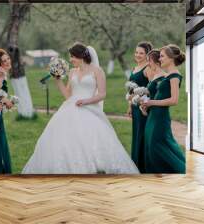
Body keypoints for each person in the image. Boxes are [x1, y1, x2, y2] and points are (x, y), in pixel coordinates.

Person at [22, 43, 139, 174]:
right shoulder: (72, 72)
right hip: (70, 108)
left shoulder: (97, 71)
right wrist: (58, 80)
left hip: (89, 107)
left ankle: (95, 165)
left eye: (72, 57)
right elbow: (67, 95)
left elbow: (102, 94)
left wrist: (86, 101)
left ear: (81, 56)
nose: (70, 60)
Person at [141, 44, 186, 173]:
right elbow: (158, 96)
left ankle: (178, 171)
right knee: (151, 146)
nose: (159, 59)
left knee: (159, 147)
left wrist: (152, 102)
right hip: (153, 116)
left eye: (162, 56)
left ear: (171, 58)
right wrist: (146, 106)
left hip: (161, 118)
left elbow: (174, 100)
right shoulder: (167, 76)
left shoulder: (174, 76)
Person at [127, 42, 152, 172]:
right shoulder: (134, 68)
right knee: (136, 134)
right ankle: (136, 163)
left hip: (144, 108)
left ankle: (144, 165)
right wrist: (130, 105)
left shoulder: (148, 69)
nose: (137, 55)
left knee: (142, 134)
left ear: (147, 55)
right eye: (136, 52)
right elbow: (131, 90)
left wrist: (144, 102)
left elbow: (152, 88)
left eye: (141, 53)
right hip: (135, 107)